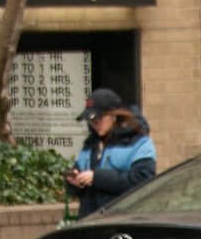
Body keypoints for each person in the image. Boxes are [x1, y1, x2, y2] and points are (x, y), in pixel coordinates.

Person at [65, 88, 156, 219]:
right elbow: (78, 185)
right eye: (91, 120)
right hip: (90, 223)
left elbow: (143, 183)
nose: (94, 124)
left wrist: (97, 178)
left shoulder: (139, 143)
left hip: (124, 222)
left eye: (99, 118)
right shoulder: (90, 145)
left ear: (114, 116)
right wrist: (74, 182)